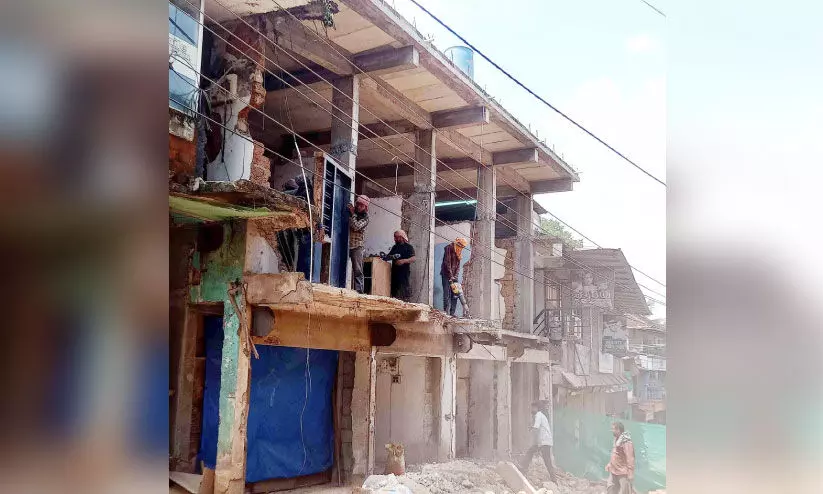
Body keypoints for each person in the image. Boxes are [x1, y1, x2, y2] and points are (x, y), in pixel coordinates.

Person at [519, 401, 558, 483]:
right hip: (544, 441)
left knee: (546, 460)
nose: (532, 409)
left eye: (533, 407)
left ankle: (523, 468)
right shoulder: (541, 415)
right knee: (535, 453)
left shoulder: (538, 415)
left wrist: (530, 436)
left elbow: (536, 428)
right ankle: (523, 468)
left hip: (544, 441)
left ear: (537, 408)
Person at [384, 230, 415, 301]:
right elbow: (388, 257)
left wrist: (403, 261)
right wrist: (386, 257)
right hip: (394, 275)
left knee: (404, 296)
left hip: (403, 275)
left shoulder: (409, 247)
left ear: (401, 237)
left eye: (396, 237)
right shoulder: (394, 247)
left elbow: (413, 259)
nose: (395, 239)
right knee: (394, 296)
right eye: (394, 237)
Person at [348, 195, 370, 293]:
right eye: (358, 204)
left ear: (365, 207)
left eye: (362, 206)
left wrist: (353, 213)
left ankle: (359, 291)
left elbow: (356, 226)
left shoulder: (366, 218)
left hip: (357, 246)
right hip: (347, 244)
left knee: (357, 270)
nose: (359, 207)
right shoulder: (354, 212)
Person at [440, 237, 468, 316]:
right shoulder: (449, 248)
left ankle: (452, 313)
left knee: (455, 294)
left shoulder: (459, 251)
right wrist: (450, 275)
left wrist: (455, 276)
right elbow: (447, 262)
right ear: (458, 243)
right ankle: (446, 313)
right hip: (446, 274)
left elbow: (458, 266)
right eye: (461, 246)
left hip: (454, 276)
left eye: (463, 247)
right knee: (447, 294)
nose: (462, 248)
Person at [605, 421, 635, 494]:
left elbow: (630, 457)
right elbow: (614, 453)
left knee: (625, 491)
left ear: (618, 430)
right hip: (613, 469)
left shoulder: (626, 442)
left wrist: (630, 472)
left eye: (613, 429)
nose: (611, 430)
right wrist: (609, 464)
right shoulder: (616, 439)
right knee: (610, 487)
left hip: (622, 471)